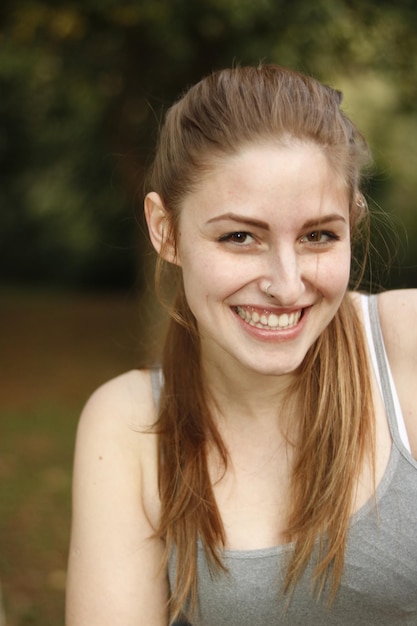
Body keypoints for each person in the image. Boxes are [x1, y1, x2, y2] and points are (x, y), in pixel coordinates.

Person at [65, 64, 417, 625]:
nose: (286, 283)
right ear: (165, 230)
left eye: (318, 236)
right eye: (240, 237)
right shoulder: (128, 425)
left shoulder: (409, 347)